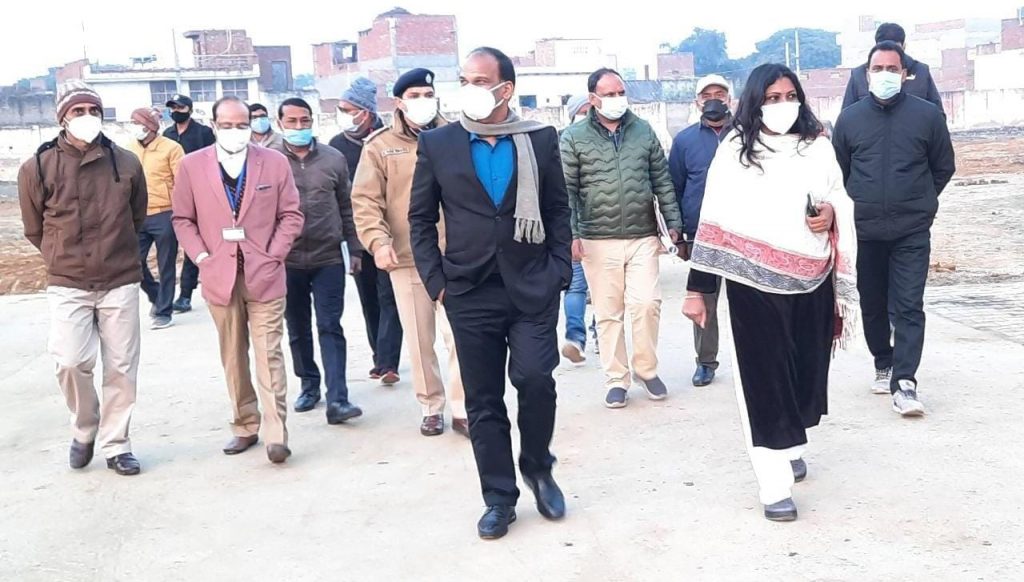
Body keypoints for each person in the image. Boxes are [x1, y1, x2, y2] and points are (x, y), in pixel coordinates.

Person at [682, 63, 860, 522]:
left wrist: (830, 215)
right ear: (754, 103)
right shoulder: (735, 152)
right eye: (772, 98)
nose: (782, 106)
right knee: (764, 380)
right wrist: (698, 290)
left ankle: (790, 442)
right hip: (752, 284)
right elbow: (713, 220)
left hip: (812, 278)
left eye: (789, 96)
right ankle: (773, 481)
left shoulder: (817, 146)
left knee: (804, 375)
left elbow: (838, 197)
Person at [410, 47, 571, 539]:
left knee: (536, 379)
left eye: (480, 81)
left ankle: (538, 466)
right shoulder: (439, 143)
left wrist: (559, 270)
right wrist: (437, 283)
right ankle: (499, 497)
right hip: (469, 289)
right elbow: (420, 218)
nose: (470, 89)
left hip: (532, 284)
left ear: (506, 89)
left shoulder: (539, 138)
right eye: (464, 80)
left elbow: (557, 208)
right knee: (483, 400)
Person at [18, 80, 148, 476]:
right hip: (68, 281)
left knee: (121, 366)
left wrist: (115, 251)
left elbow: (137, 217)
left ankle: (117, 444)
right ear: (63, 118)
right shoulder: (37, 166)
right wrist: (62, 256)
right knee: (71, 362)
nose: (87, 117)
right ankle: (84, 428)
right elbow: (34, 228)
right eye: (78, 111)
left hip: (120, 278)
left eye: (94, 110)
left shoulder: (126, 162)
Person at [171, 96, 304, 464]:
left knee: (269, 354)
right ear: (214, 126)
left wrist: (274, 254)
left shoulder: (274, 162)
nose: (236, 131)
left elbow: (291, 214)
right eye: (227, 125)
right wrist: (202, 257)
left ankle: (276, 432)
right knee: (233, 355)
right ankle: (245, 424)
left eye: (242, 125)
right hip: (219, 275)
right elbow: (182, 219)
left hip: (265, 273)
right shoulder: (192, 166)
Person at [833, 41, 956, 416]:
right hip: (865, 231)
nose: (884, 75)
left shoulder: (927, 116)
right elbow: (839, 173)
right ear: (867, 74)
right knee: (872, 304)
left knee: (908, 305)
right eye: (878, 69)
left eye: (892, 69)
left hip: (911, 231)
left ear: (904, 74)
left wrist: (920, 201)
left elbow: (943, 166)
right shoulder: (850, 120)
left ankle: (905, 382)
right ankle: (883, 362)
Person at [352, 68, 468, 438]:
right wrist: (378, 242)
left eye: (428, 94)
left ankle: (463, 408)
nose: (423, 101)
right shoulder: (380, 146)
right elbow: (366, 201)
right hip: (407, 258)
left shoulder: (458, 136)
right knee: (420, 340)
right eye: (414, 96)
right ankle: (431, 406)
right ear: (399, 103)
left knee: (461, 336)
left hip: (456, 255)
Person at [560, 67, 682, 409]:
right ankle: (616, 378)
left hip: (643, 235)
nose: (617, 99)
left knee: (647, 303)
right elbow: (566, 191)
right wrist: (571, 234)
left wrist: (672, 222)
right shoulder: (573, 138)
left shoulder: (643, 131)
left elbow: (662, 180)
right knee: (608, 312)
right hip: (597, 238)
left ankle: (647, 369)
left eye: (620, 93)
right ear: (593, 99)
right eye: (609, 94)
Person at [270, 98, 364, 424]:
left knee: (330, 325)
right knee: (297, 327)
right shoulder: (268, 161)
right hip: (287, 259)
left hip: (328, 257)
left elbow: (347, 207)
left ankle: (338, 398)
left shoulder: (333, 158)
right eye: (292, 121)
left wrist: (355, 249)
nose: (299, 127)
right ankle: (309, 384)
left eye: (304, 120)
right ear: (280, 123)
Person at [329, 77, 404, 385]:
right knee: (369, 297)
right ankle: (379, 356)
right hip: (358, 236)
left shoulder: (389, 140)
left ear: (366, 112)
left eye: (349, 109)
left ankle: (388, 361)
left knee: (390, 296)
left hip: (391, 233)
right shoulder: (337, 147)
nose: (344, 115)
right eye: (341, 109)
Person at [668, 74, 733, 388]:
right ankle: (706, 362)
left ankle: (755, 359)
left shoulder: (747, 134)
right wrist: (679, 231)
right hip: (702, 234)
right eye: (706, 95)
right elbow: (675, 187)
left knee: (751, 301)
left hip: (743, 233)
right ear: (697, 102)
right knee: (704, 300)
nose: (713, 100)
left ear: (730, 99)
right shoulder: (684, 141)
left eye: (719, 93)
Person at [128, 107, 185, 330]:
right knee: (133, 262)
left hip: (165, 213)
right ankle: (157, 295)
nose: (133, 127)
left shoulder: (171, 148)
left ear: (149, 126)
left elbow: (182, 182)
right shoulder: (129, 149)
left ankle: (163, 311)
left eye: (137, 123)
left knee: (166, 264)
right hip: (137, 215)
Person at [164, 94, 216, 314]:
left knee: (197, 243)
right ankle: (177, 295)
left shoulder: (203, 133)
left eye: (180, 107)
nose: (176, 111)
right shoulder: (167, 135)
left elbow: (213, 161)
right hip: (176, 195)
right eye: (173, 108)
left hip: (202, 193)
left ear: (190, 110)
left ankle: (186, 294)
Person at [559, 95, 598, 364]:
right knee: (577, 285)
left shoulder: (560, 141)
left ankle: (593, 333)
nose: (588, 115)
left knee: (602, 286)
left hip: (602, 227)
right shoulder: (605, 140)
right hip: (574, 226)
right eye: (583, 111)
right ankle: (576, 337)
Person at [842, 22, 943, 113]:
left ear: (904, 47)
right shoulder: (859, 75)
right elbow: (846, 116)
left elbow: (937, 115)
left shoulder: (921, 72)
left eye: (895, 49)